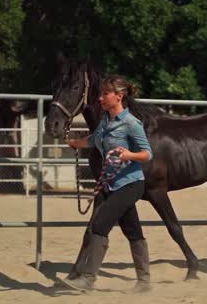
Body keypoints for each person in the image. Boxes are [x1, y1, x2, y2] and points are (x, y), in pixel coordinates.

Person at [61, 75, 153, 293]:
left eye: (105, 94)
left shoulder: (131, 124)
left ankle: (87, 279)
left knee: (99, 225)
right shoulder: (105, 121)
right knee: (132, 231)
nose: (100, 97)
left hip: (130, 184)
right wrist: (75, 143)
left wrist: (129, 154)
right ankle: (144, 282)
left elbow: (147, 154)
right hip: (110, 184)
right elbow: (93, 140)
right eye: (100, 93)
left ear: (119, 96)